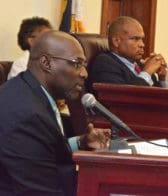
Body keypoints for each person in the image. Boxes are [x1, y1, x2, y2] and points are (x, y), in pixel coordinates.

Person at [0, 30, 110, 196]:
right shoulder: (26, 114)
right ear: (46, 63)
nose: (84, 73)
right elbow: (39, 192)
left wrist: (80, 143)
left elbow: (43, 146)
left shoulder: (31, 92)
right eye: (77, 63)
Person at [87, 16, 167, 92]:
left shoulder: (140, 65)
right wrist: (147, 72)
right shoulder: (105, 63)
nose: (142, 44)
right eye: (135, 39)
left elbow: (158, 98)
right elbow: (124, 97)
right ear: (116, 41)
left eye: (142, 39)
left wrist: (162, 78)